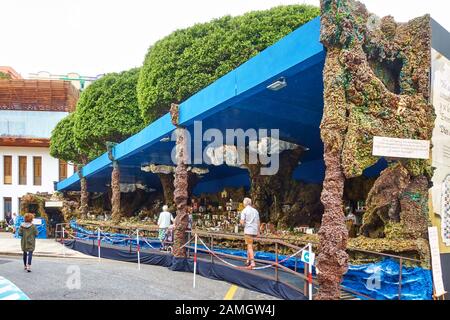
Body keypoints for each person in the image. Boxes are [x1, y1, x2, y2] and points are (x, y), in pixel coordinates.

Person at [240, 198, 260, 269]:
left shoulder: (244, 211)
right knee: (249, 245)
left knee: (249, 246)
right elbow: (258, 222)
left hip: (248, 230)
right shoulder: (255, 211)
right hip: (254, 230)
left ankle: (252, 263)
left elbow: (242, 222)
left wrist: (242, 224)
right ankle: (248, 260)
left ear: (245, 203)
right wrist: (258, 231)